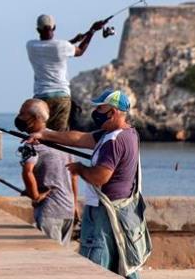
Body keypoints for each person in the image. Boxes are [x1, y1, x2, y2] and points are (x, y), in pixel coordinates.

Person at [26, 90, 151, 278]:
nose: (96, 112)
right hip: (123, 211)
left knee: (94, 266)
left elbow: (100, 177)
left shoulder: (113, 141)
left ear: (113, 112)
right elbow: (79, 138)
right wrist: (45, 135)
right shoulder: (128, 133)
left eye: (101, 108)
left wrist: (80, 169)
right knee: (124, 263)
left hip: (104, 212)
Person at [25, 14, 106, 132]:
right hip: (61, 97)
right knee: (59, 135)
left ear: (38, 29)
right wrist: (92, 31)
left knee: (41, 133)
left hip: (40, 97)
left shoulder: (31, 45)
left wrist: (73, 41)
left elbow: (50, 47)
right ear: (54, 27)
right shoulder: (62, 46)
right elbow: (80, 51)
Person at [14, 99, 77, 246]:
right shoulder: (62, 139)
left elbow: (27, 172)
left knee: (50, 254)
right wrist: (74, 204)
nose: (19, 116)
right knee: (63, 255)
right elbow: (73, 175)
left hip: (50, 210)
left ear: (35, 118)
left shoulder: (32, 144)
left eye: (22, 113)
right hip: (68, 209)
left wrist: (35, 196)